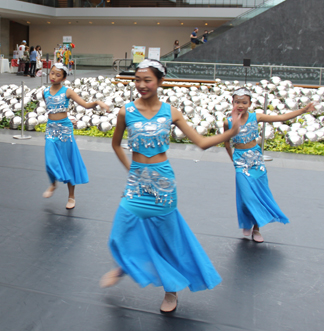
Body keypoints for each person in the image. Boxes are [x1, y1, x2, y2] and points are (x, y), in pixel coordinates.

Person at [99, 59, 242, 313]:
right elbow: (116, 145)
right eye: (137, 80)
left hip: (163, 181)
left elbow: (201, 142)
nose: (141, 85)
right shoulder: (126, 111)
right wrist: (131, 170)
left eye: (147, 80)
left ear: (160, 82)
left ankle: (171, 291)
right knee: (120, 231)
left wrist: (231, 133)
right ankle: (125, 266)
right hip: (137, 182)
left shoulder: (171, 112)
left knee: (167, 239)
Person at [223, 88, 316, 243]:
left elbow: (281, 117)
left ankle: (256, 228)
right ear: (232, 102)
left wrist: (303, 110)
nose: (241, 105)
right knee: (246, 197)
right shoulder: (228, 122)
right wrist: (233, 159)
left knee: (259, 195)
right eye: (237, 102)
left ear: (250, 103)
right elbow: (226, 143)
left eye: (244, 102)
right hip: (240, 162)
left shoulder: (256, 117)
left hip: (256, 161)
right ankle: (247, 221)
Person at [42, 63, 110, 209]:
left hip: (65, 130)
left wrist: (97, 102)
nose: (53, 76)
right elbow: (50, 110)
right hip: (50, 129)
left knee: (68, 163)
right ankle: (53, 184)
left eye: (58, 74)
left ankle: (71, 196)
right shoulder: (45, 92)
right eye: (52, 73)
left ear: (64, 78)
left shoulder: (67, 91)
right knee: (50, 160)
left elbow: (85, 105)